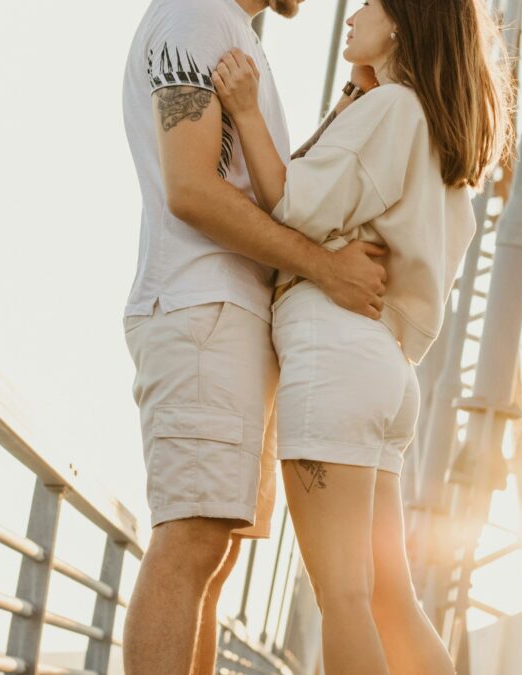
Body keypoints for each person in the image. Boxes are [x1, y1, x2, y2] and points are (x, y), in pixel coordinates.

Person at [211, 0, 512, 671]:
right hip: (385, 367)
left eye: (369, 4)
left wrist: (246, 108)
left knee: (344, 598)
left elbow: (291, 202)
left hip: (332, 352)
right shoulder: (433, 135)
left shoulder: (394, 109)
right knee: (390, 600)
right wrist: (352, 97)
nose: (352, 14)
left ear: (403, 20)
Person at [119, 0, 391, 672]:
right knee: (189, 542)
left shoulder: (228, 30)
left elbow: (262, 186)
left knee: (215, 553)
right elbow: (191, 188)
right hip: (201, 309)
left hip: (233, 318)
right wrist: (327, 269)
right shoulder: (195, 18)